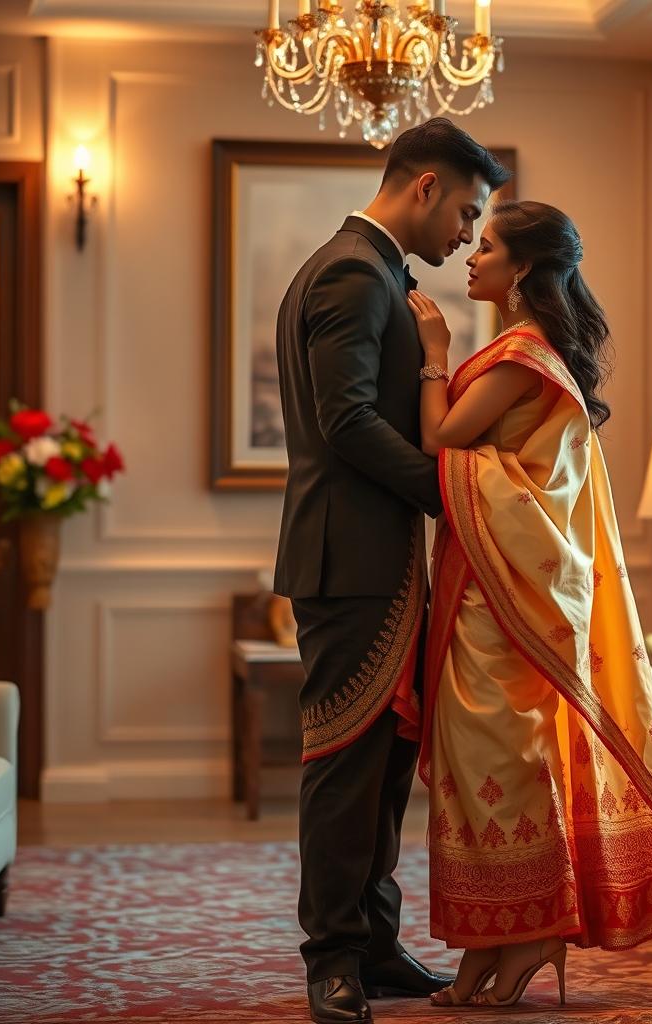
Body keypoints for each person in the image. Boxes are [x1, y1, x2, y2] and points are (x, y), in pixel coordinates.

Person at [405, 201, 652, 1009]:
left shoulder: (520, 355)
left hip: (505, 607)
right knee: (478, 768)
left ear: (522, 269)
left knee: (500, 764)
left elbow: (442, 443)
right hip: (494, 588)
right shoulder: (522, 350)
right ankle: (487, 944)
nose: (470, 255)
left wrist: (435, 355)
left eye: (487, 246)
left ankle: (529, 931)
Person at [273, 119, 511, 1024]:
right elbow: (348, 424)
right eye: (465, 210)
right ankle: (330, 957)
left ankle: (372, 946)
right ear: (422, 187)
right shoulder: (350, 270)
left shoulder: (373, 272)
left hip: (381, 564)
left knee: (385, 764)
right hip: (348, 564)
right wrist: (457, 494)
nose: (465, 233)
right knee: (344, 763)